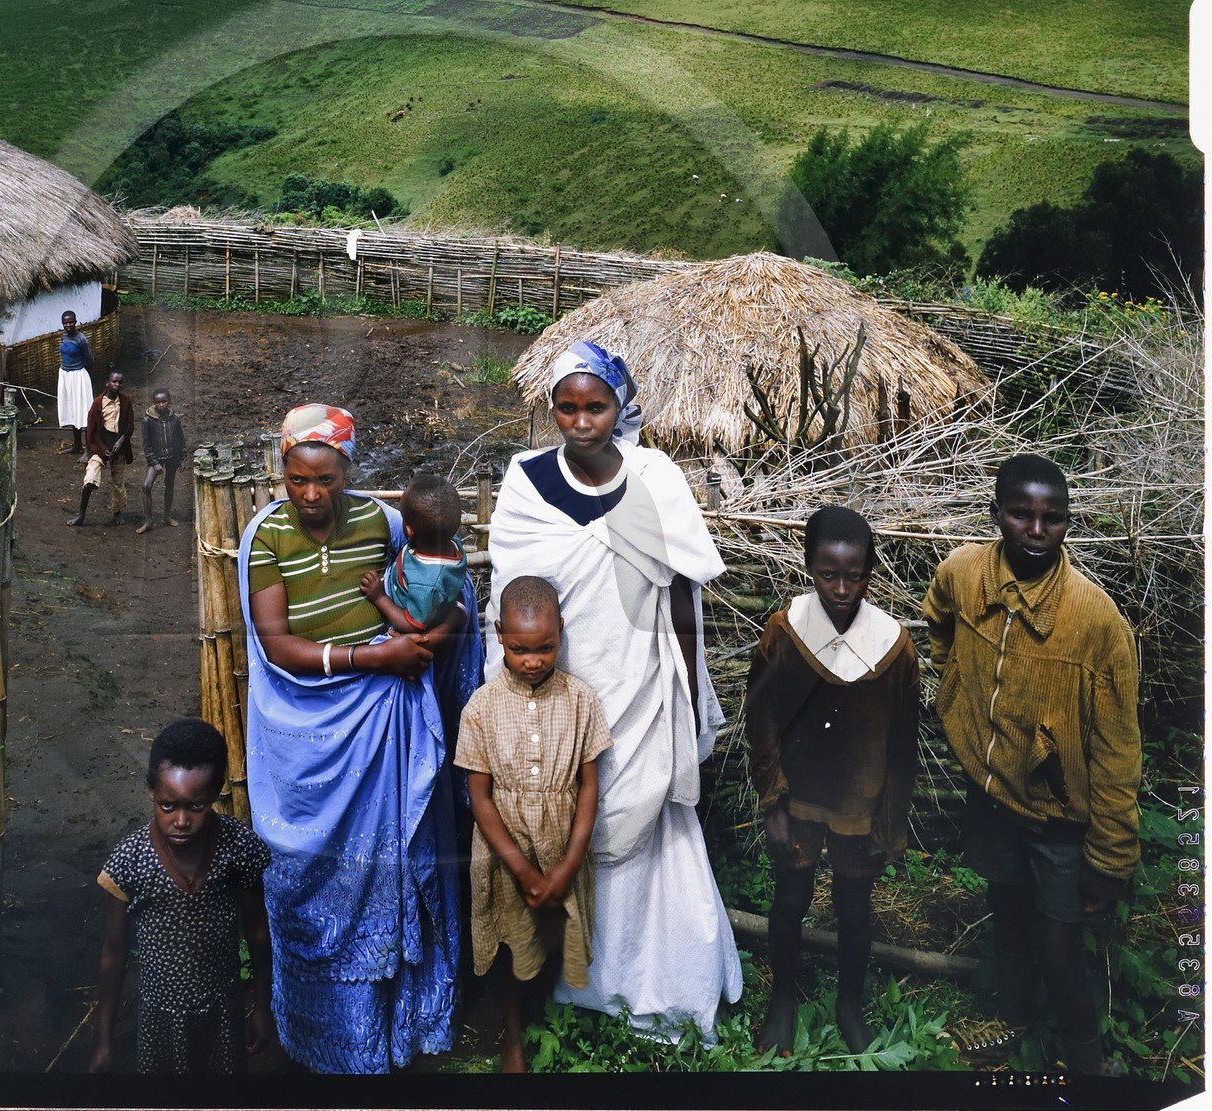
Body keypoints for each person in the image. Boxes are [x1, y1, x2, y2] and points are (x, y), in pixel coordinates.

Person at [484, 340, 741, 1040]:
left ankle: (639, 980)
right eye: (565, 407)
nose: (580, 420)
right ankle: (565, 978)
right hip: (558, 683)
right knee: (553, 819)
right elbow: (508, 597)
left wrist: (686, 683)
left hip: (639, 677)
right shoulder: (525, 482)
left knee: (640, 812)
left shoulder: (655, 477)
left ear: (620, 405)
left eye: (595, 405)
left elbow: (682, 593)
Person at [236, 403, 483, 1073]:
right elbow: (277, 643)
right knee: (308, 870)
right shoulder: (267, 541)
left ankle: (400, 1025)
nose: (311, 495)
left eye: (325, 478)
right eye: (296, 479)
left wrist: (439, 627)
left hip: (387, 726)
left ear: (348, 470)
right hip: (313, 730)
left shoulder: (383, 523)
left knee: (396, 867)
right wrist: (372, 659)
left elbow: (437, 579)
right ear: (281, 472)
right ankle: (325, 1035)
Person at [925, 453, 1140, 1075]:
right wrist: (954, 688)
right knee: (1009, 913)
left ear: (1068, 523)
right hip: (994, 801)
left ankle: (1087, 1066)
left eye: (1053, 517)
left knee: (1060, 950)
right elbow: (940, 619)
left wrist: (1110, 860)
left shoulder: (1096, 623)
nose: (1037, 530)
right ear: (997, 515)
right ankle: (1014, 1018)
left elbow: (1120, 752)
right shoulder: (965, 573)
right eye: (1022, 514)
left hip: (1059, 822)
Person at [745, 505, 919, 1057]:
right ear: (807, 566)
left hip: (858, 804)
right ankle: (782, 1001)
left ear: (871, 572)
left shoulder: (893, 647)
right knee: (791, 899)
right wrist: (773, 800)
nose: (842, 588)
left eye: (856, 575)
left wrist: (888, 822)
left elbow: (903, 743)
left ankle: (848, 1003)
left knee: (854, 907)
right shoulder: (785, 631)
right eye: (828, 574)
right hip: (798, 799)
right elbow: (762, 719)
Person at [455, 575, 612, 1073]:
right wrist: (523, 870)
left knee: (551, 933)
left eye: (545, 647)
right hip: (505, 855)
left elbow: (589, 786)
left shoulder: (581, 700)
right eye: (521, 649)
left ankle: (547, 1016)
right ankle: (513, 1037)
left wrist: (568, 864)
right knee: (510, 941)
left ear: (561, 631)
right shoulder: (480, 707)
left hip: (563, 847)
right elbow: (479, 799)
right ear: (499, 634)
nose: (534, 660)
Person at [90, 718, 273, 1075]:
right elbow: (113, 953)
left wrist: (262, 1008)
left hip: (224, 1013)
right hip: (160, 1020)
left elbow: (258, 932)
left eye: (197, 806)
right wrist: (104, 1039)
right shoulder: (130, 860)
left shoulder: (239, 848)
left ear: (217, 791)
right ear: (150, 792)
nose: (181, 820)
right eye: (168, 806)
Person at [358, 472, 469, 637]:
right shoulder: (449, 541)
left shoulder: (426, 585)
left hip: (403, 612)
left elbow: (413, 624)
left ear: (408, 531)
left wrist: (379, 597)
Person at [69, 371, 134, 527]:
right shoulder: (98, 403)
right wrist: (102, 448)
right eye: (114, 382)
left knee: (117, 482)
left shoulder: (125, 401)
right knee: (90, 478)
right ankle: (81, 515)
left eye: (120, 382)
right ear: (107, 383)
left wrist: (121, 441)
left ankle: (117, 512)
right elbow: (91, 432)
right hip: (100, 446)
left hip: (119, 446)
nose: (117, 385)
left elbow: (130, 426)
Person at [136, 387, 187, 534]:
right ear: (153, 403)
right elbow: (147, 445)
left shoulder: (175, 418)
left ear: (169, 401)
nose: (161, 405)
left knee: (169, 484)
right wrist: (155, 463)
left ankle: (167, 516)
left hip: (172, 456)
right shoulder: (148, 420)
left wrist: (182, 458)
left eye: (164, 401)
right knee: (146, 485)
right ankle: (148, 521)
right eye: (158, 402)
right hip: (156, 457)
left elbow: (180, 438)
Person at [57, 311, 96, 456]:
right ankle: (77, 445)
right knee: (72, 410)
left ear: (75, 321)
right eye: (65, 322)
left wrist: (79, 371)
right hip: (65, 376)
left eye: (70, 322)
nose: (68, 325)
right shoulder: (64, 336)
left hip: (78, 377)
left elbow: (90, 360)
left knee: (83, 411)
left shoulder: (81, 339)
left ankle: (88, 448)